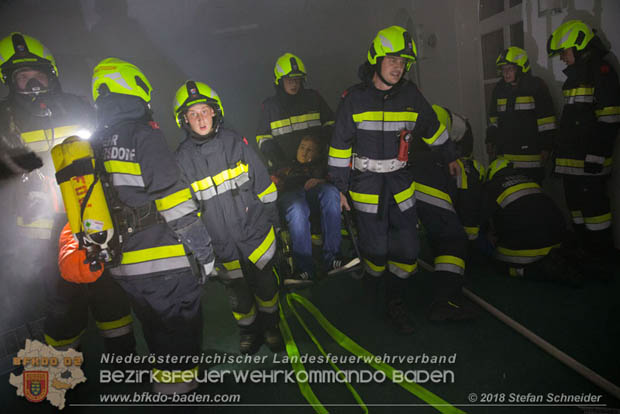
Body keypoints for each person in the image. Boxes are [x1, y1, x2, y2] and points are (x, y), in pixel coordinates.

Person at [0, 32, 134, 354]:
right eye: (23, 78)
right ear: (9, 81)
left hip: (92, 217)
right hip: (41, 232)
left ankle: (124, 366)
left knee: (109, 294)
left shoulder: (76, 106)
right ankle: (63, 382)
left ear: (52, 75)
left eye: (38, 75)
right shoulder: (4, 120)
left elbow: (105, 151)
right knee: (63, 306)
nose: (33, 84)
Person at [90, 59, 215, 394]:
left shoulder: (94, 143)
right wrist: (204, 252)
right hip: (164, 261)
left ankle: (166, 385)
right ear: (135, 88)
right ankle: (183, 395)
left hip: (123, 267)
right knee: (181, 333)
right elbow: (174, 204)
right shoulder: (144, 135)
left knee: (155, 330)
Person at [328, 25, 459, 334]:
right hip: (366, 187)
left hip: (400, 185)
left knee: (409, 248)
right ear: (376, 60)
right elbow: (339, 147)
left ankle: (395, 301)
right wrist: (339, 188)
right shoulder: (354, 99)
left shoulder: (412, 95)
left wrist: (450, 155)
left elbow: (432, 128)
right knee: (375, 250)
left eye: (403, 61)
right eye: (392, 60)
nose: (398, 67)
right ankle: (375, 289)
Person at [173, 80, 283, 355]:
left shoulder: (236, 143)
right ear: (184, 119)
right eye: (193, 113)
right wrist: (199, 249)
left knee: (266, 286)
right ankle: (249, 332)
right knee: (238, 295)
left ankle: (272, 327)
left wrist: (276, 227)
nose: (200, 118)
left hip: (256, 234)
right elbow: (186, 212)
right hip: (221, 243)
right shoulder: (182, 160)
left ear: (215, 112)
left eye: (204, 111)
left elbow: (265, 188)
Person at [547, 20, 620, 262]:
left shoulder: (601, 73)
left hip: (589, 163)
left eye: (564, 52)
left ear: (578, 47)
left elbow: (609, 119)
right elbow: (571, 124)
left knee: (595, 214)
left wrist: (597, 156)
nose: (562, 58)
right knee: (577, 212)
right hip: (572, 163)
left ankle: (601, 258)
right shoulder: (575, 78)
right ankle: (584, 253)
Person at [410, 105, 481, 321]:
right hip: (425, 179)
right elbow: (469, 209)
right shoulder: (466, 168)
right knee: (453, 239)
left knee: (436, 231)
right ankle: (445, 302)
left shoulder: (426, 116)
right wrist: (471, 240)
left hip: (402, 175)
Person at [482, 158, 583, 286]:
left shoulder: (492, 186)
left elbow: (480, 219)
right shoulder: (530, 181)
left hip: (528, 250)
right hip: (557, 243)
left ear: (491, 173)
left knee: (497, 262)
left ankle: (533, 271)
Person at [274, 134, 350, 284]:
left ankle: (333, 259)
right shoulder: (285, 166)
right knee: (297, 207)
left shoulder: (323, 167)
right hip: (291, 195)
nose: (304, 152)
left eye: (310, 149)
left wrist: (321, 180)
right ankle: (304, 270)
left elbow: (334, 180)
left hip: (313, 194)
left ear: (317, 153)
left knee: (330, 192)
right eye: (302, 147)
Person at [486, 46, 557, 183]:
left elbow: (546, 121)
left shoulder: (536, 86)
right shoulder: (499, 89)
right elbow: (493, 119)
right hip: (505, 156)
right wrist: (490, 139)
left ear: (521, 68)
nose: (506, 73)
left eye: (510, 69)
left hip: (530, 158)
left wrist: (547, 147)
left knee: (532, 196)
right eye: (503, 69)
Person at [256, 52, 334, 172]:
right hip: (286, 172)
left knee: (329, 191)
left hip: (316, 168)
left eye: (297, 80)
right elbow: (263, 138)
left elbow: (331, 123)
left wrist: (320, 143)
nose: (294, 84)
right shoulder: (270, 107)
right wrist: (278, 160)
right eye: (289, 80)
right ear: (280, 81)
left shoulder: (314, 98)